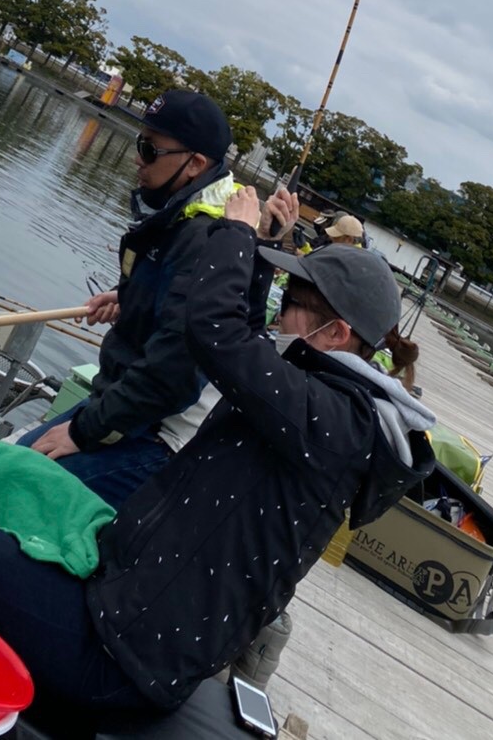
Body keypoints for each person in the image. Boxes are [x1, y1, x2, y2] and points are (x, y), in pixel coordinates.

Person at [0, 186, 435, 718]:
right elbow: (246, 334)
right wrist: (266, 250)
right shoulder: (324, 397)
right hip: (127, 587)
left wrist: (235, 234)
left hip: (120, 657)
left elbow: (215, 332)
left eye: (290, 307)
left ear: (335, 333)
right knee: (12, 467)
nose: (277, 318)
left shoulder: (335, 423)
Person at [18, 89, 295, 506]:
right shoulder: (187, 214)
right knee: (14, 465)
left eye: (149, 149)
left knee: (9, 480)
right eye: (139, 143)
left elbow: (173, 373)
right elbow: (172, 295)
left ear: (195, 164)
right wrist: (133, 297)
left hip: (159, 434)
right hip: (129, 406)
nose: (138, 158)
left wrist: (83, 432)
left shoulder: (207, 237)